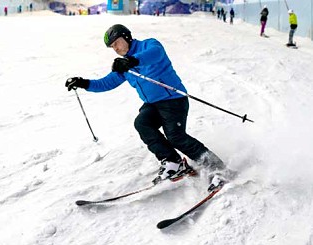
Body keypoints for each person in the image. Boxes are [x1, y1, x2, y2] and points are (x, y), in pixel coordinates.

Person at [65, 24, 232, 191]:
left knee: (176, 137)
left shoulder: (149, 45)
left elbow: (155, 54)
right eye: (112, 46)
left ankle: (219, 169)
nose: (115, 48)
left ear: (126, 37)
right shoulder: (123, 65)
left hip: (173, 100)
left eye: (116, 43)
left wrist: (131, 61)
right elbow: (106, 83)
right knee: (142, 123)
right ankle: (173, 162)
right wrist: (83, 83)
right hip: (152, 104)